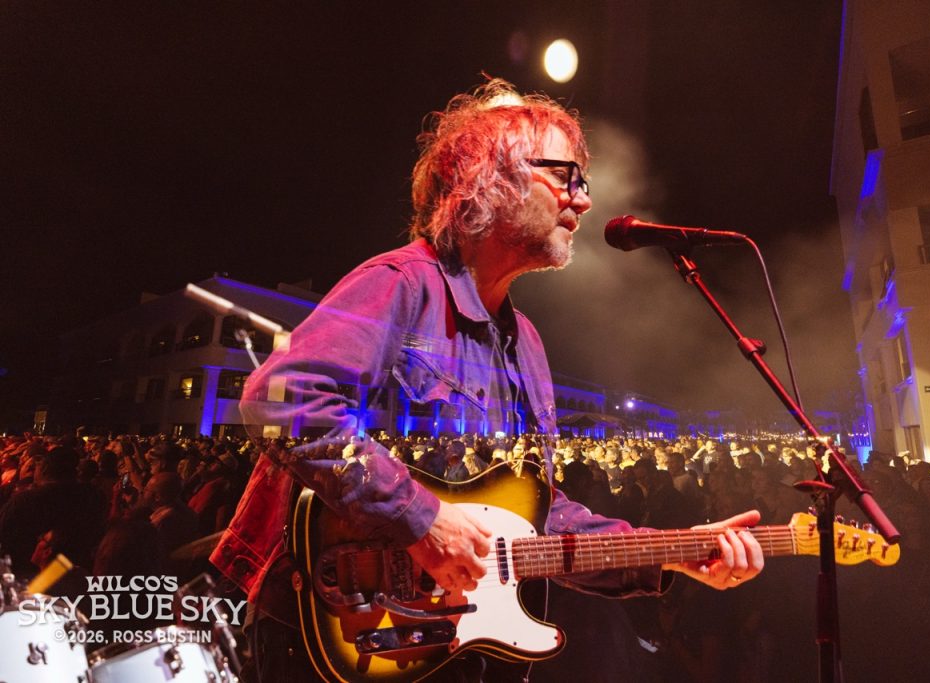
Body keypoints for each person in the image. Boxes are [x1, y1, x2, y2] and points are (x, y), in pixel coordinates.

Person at [211, 80, 763, 681]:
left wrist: (674, 552)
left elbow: (538, 515)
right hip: (338, 630)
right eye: (567, 176)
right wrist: (421, 517)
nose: (582, 201)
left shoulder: (525, 342)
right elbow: (279, 399)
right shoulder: (401, 284)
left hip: (449, 647)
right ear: (489, 175)